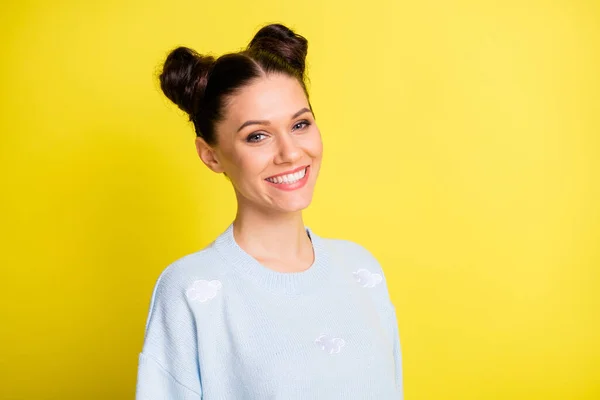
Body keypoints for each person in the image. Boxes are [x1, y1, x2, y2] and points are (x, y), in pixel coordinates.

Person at [136, 23, 404, 399]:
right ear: (211, 155)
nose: (291, 152)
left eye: (300, 124)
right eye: (257, 136)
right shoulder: (190, 292)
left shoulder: (362, 270)